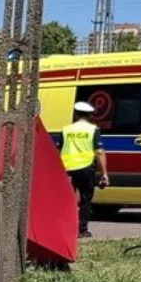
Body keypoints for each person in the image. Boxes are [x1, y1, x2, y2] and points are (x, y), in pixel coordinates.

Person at [51, 100, 108, 239]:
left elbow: (59, 150)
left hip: (67, 168)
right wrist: (104, 174)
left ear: (76, 114)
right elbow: (99, 152)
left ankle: (65, 228)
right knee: (85, 199)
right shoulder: (93, 130)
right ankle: (82, 230)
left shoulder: (66, 130)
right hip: (85, 168)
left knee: (66, 199)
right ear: (90, 115)